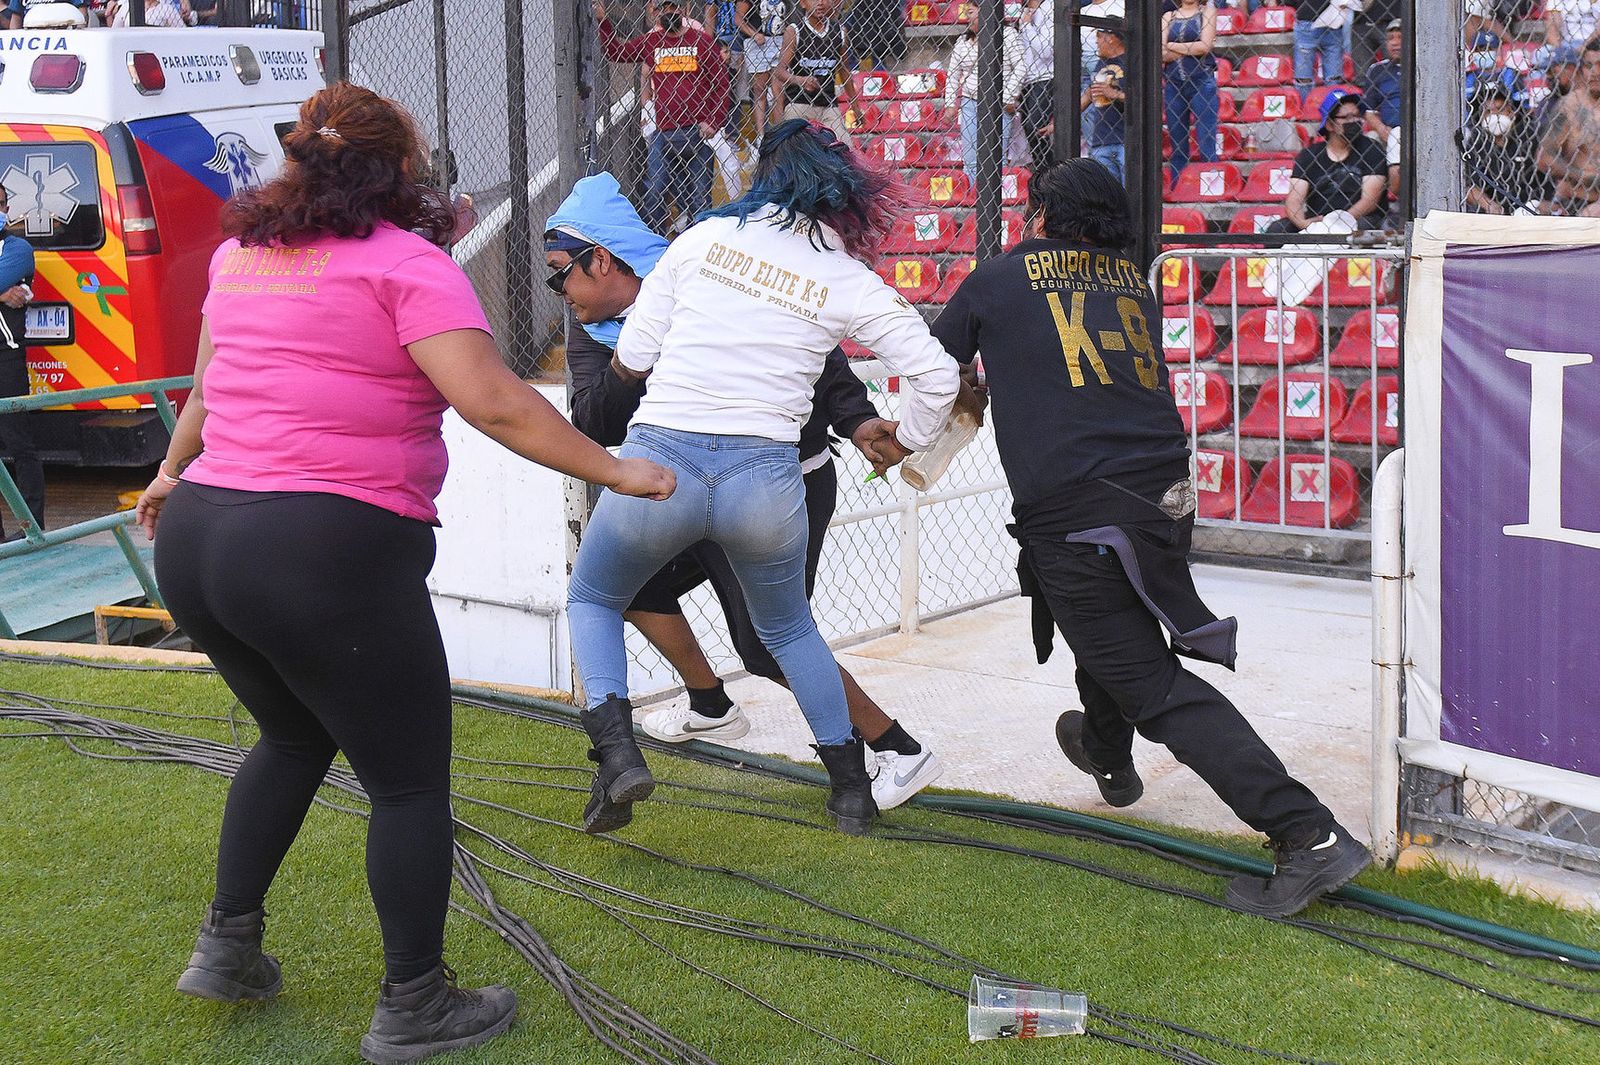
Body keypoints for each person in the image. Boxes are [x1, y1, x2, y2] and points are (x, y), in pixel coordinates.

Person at [130, 84, 675, 1065]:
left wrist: (170, 474)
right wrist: (617, 469)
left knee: (293, 736)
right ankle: (415, 1004)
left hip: (203, 538)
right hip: (318, 548)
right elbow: (495, 403)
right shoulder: (405, 265)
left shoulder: (241, 256)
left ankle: (226, 949)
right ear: (400, 170)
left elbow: (211, 387)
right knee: (409, 783)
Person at [929, 158, 1372, 919]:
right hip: (1164, 495)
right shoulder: (1129, 279)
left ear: (1041, 216)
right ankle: (1107, 750)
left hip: (1079, 507)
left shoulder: (1005, 276)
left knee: (1150, 683)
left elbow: (929, 364)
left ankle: (1308, 832)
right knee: (1110, 632)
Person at [565, 120, 965, 837]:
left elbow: (634, 357)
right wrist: (907, 437)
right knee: (788, 630)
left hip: (666, 458)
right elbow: (938, 373)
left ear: (764, 179)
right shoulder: (842, 271)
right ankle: (850, 792)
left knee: (595, 594)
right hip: (769, 474)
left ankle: (618, 754)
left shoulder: (698, 242)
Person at [596, 0, 731, 234]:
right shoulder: (652, 42)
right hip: (664, 132)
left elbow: (721, 84)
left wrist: (714, 121)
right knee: (654, 192)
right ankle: (655, 244)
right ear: (654, 14)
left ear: (682, 11)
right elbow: (616, 52)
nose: (666, 12)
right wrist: (602, 21)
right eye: (660, 9)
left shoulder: (701, 42)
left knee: (700, 197)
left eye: (671, 7)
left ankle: (700, 247)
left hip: (698, 132)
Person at [1266, 91, 1389, 233]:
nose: (1353, 121)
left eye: (1356, 116)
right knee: (1277, 229)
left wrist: (1336, 224)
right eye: (1345, 117)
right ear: (1329, 125)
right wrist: (1304, 224)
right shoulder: (1310, 155)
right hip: (1319, 220)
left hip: (1356, 219)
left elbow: (1370, 200)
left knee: (1364, 226)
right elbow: (1294, 199)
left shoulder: (1371, 149)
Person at [0, 184, 43, 543]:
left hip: (6, 357)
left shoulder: (17, 249)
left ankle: (33, 527)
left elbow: (11, 273)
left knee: (20, 445)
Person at [945, 4, 1025, 179]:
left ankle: (998, 198)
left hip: (999, 101)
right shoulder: (963, 41)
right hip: (970, 101)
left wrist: (1008, 97)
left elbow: (1020, 67)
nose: (968, 17)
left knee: (996, 155)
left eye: (972, 12)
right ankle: (975, 197)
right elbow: (952, 74)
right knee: (971, 157)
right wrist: (950, 104)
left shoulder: (1008, 35)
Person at [777, 0, 859, 142]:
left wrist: (856, 107)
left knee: (845, 148)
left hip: (828, 105)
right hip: (798, 103)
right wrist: (801, 80)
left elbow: (844, 72)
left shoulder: (839, 32)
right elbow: (779, 72)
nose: (820, 3)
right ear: (803, 3)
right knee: (797, 147)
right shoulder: (795, 31)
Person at [1464, 81, 1552, 214]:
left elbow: (1548, 177)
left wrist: (1538, 205)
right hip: (1494, 214)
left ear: (1511, 112)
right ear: (1481, 116)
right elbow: (1470, 185)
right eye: (1488, 111)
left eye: (1500, 109)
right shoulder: (1477, 141)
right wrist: (1489, 205)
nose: (1495, 116)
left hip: (1531, 209)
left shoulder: (1528, 136)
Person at [1537, 40, 1600, 216]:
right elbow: (1545, 158)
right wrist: (1583, 177)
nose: (1594, 72)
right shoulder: (1570, 105)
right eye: (1588, 66)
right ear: (1581, 69)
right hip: (1576, 198)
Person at [1163, 0, 1219, 186]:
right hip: (1173, 84)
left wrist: (1172, 46)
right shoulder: (1168, 16)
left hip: (1201, 81)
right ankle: (1179, 187)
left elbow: (1204, 47)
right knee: (1177, 143)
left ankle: (1209, 187)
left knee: (1206, 140)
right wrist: (1189, 48)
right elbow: (1160, 52)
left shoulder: (1208, 12)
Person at [1081, 28, 1131, 185]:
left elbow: (1144, 99)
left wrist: (1114, 94)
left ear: (1111, 38)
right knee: (1104, 194)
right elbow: (1089, 94)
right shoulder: (1101, 64)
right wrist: (1057, 123)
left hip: (1126, 138)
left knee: (1129, 191)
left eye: (1099, 37)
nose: (1096, 42)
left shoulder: (1132, 62)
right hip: (1101, 139)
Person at [740, 0, 789, 142]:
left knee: (777, 89)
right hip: (756, 44)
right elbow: (738, 18)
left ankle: (779, 131)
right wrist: (754, 34)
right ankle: (761, 135)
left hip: (779, 40)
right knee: (759, 90)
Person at [1017, 0, 1056, 169]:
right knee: (1029, 132)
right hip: (1024, 80)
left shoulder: (1050, 8)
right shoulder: (1020, 10)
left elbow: (1045, 52)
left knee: (1034, 127)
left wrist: (1026, 26)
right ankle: (1044, 173)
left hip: (1045, 77)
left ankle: (1050, 171)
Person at [1293, 0, 1356, 92]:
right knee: (1332, 78)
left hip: (1321, 22)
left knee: (1305, 78)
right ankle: (1331, 104)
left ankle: (1310, 104)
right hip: (1326, 22)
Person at [1361, 18, 1404, 143]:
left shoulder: (1422, 67)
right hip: (1388, 131)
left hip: (1419, 130)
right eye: (1390, 38)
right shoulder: (1377, 70)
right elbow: (1369, 111)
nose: (1395, 43)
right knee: (1371, 138)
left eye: (1400, 37)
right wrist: (1382, 129)